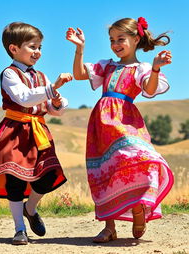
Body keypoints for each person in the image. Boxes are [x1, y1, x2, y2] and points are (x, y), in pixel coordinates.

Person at [66, 17, 174, 242]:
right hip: (101, 122)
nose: (115, 44)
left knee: (142, 158)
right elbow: (78, 74)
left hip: (126, 121)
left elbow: (150, 89)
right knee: (105, 170)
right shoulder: (107, 66)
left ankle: (139, 207)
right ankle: (109, 227)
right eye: (112, 39)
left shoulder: (142, 68)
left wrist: (155, 69)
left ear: (136, 39)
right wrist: (79, 49)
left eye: (121, 39)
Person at [0, 22, 73, 245]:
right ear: (14, 49)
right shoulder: (9, 73)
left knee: (49, 175)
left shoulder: (42, 77)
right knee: (14, 179)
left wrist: (57, 101)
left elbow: (53, 111)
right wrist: (53, 88)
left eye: (40, 47)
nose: (38, 52)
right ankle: (19, 229)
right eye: (32, 46)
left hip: (38, 132)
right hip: (15, 131)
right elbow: (23, 98)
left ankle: (30, 208)